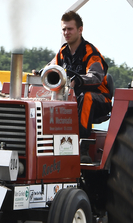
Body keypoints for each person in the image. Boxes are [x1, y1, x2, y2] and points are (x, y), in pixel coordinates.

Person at [48, 10, 112, 138]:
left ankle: (82, 145)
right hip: (72, 96)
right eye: (64, 29)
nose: (66, 33)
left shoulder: (90, 52)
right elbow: (50, 69)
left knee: (86, 97)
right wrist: (40, 74)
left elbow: (96, 76)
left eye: (70, 29)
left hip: (100, 98)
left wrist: (77, 80)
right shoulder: (62, 52)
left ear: (80, 29)